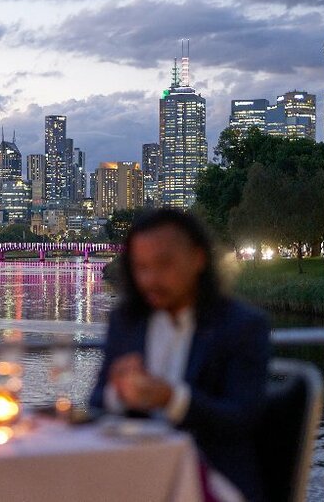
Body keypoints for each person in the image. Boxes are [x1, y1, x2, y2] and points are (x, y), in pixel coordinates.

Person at [90, 208, 270, 502]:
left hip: (215, 479)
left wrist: (172, 399)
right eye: (141, 268)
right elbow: (97, 402)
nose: (150, 279)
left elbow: (242, 419)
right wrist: (118, 391)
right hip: (136, 475)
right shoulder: (127, 321)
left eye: (164, 265)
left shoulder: (242, 326)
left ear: (198, 259)